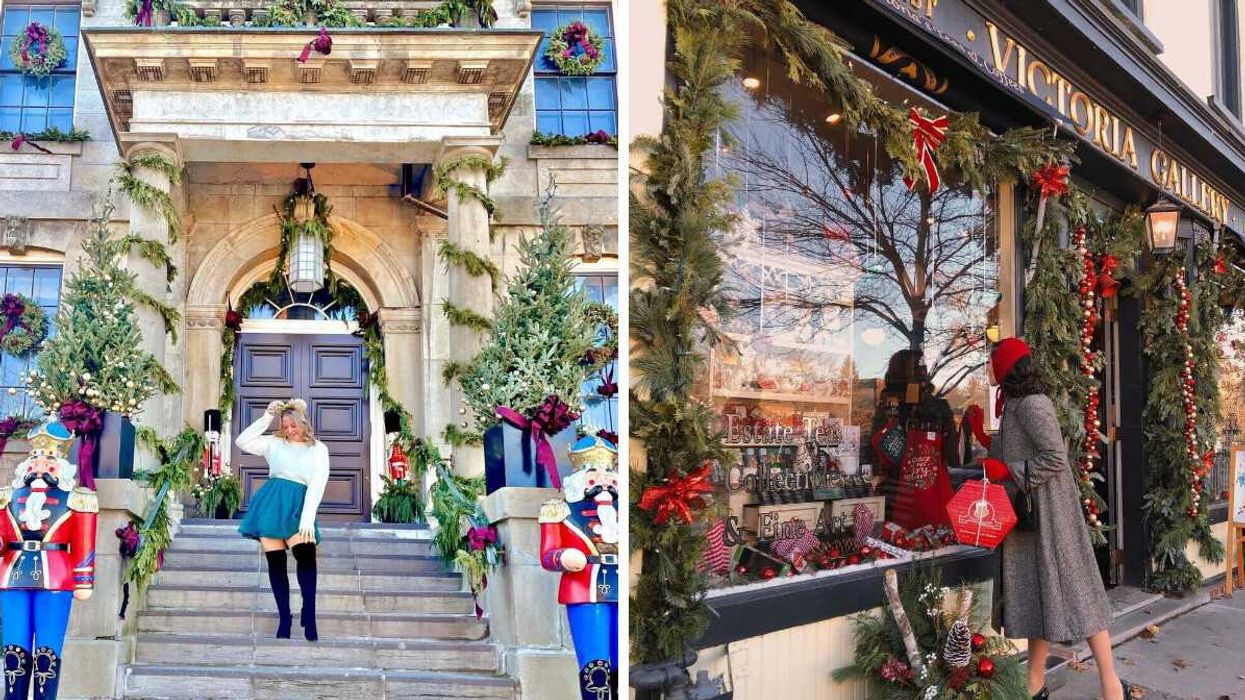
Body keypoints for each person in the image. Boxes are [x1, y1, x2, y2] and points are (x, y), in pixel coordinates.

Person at [981, 338, 1132, 700]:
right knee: (1038, 595)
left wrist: (1009, 469)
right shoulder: (1013, 405)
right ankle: (1034, 683)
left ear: (1006, 368)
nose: (986, 369)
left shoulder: (1033, 404)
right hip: (1029, 515)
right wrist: (983, 445)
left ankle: (1112, 686)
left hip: (1051, 515)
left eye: (990, 363)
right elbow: (1017, 451)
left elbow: (1054, 458)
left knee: (1080, 596)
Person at [0, 421, 97, 700]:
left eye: (50, 457)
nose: (41, 462)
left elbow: (84, 541)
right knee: (14, 651)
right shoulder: (7, 497)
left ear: (62, 462)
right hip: (12, 575)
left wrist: (84, 578)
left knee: (47, 652)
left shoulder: (78, 498)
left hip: (55, 576)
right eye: (35, 457)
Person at [236, 399, 329, 641]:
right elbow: (242, 441)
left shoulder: (318, 449)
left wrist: (308, 519)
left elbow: (317, 485)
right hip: (272, 504)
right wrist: (267, 416)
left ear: (303, 423)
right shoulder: (274, 443)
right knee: (276, 564)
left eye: (293, 426)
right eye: (285, 426)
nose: (289, 431)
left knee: (305, 556)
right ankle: (284, 618)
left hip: (299, 505)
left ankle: (309, 611)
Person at [868, 348, 958, 530]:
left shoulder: (888, 410)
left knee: (903, 544)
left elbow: (875, 456)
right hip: (932, 501)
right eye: (919, 369)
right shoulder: (938, 408)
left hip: (897, 499)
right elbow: (955, 457)